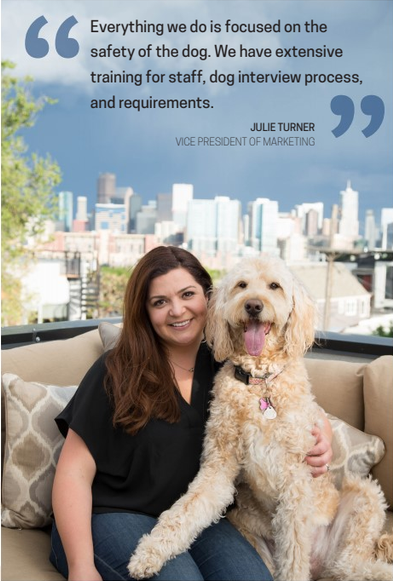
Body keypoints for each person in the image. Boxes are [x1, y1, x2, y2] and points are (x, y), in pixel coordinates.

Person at [50, 246, 333, 581]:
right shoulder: (115, 370)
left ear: (210, 300)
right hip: (110, 514)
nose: (177, 310)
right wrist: (80, 566)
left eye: (187, 295)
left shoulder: (230, 365)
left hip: (196, 517)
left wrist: (323, 433)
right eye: (160, 302)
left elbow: (288, 403)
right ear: (145, 311)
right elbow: (72, 475)